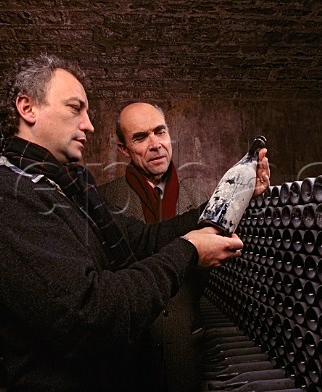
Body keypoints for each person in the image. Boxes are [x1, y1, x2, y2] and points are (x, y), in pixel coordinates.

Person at [0, 53, 270, 392]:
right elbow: (92, 317)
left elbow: (146, 241)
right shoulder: (3, 201)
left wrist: (236, 193)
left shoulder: (69, 192)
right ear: (27, 107)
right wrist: (190, 251)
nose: (89, 124)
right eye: (75, 108)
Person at [98, 102, 210, 392]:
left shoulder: (200, 200)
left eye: (160, 132)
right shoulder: (104, 200)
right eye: (140, 137)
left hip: (185, 346)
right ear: (123, 149)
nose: (155, 144)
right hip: (129, 355)